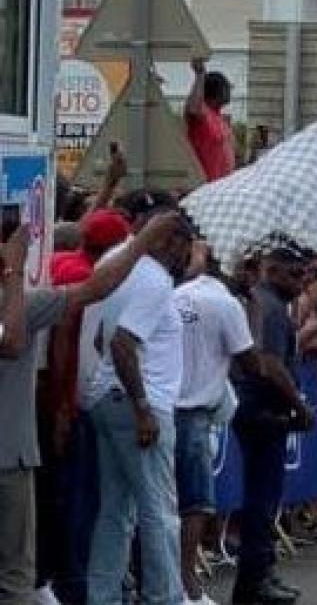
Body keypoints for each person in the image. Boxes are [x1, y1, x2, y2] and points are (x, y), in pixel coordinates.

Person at [0, 214, 177, 605]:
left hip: (14, 452)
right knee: (14, 577)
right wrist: (12, 269)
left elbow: (97, 287)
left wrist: (139, 243)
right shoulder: (17, 304)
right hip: (8, 458)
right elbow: (11, 341)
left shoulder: (29, 304)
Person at [82, 212, 197, 605]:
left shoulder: (121, 263)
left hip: (106, 396)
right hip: (140, 404)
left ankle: (104, 595)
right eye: (185, 243)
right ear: (169, 241)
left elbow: (103, 337)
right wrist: (143, 407)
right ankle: (164, 596)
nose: (188, 254)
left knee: (117, 509)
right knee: (159, 510)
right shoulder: (155, 281)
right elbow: (121, 342)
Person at [229, 238, 317, 605]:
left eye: (306, 273)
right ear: (273, 270)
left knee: (264, 496)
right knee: (262, 497)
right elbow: (270, 364)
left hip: (259, 408)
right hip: (261, 409)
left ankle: (261, 572)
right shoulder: (270, 306)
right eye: (295, 272)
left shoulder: (270, 304)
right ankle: (254, 580)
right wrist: (299, 405)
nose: (302, 279)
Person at [171, 245, 259, 605]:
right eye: (249, 269)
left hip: (162, 408)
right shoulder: (228, 305)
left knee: (158, 502)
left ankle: (161, 580)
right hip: (192, 413)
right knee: (195, 503)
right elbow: (251, 361)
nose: (254, 277)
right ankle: (186, 582)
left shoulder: (175, 294)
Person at [185, 58, 236, 182]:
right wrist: (200, 75)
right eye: (227, 88)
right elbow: (192, 108)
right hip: (205, 185)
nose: (230, 92)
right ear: (218, 90)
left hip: (222, 185)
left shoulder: (219, 117)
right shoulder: (203, 114)